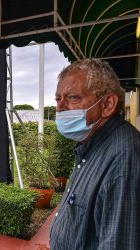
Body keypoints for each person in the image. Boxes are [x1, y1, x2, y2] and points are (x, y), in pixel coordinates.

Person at [50, 59, 140, 249]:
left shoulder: (124, 158)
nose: (60, 108)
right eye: (58, 99)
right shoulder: (93, 145)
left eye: (72, 98)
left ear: (107, 104)